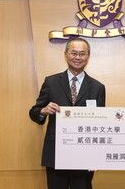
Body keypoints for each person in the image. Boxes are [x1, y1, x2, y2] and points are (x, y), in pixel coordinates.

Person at [29, 38, 106, 189]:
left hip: (84, 157)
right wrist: (43, 111)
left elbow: (100, 124)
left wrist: (96, 156)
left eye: (82, 54)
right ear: (66, 54)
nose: (78, 57)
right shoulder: (51, 82)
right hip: (55, 154)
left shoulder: (98, 87)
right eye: (74, 53)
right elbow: (34, 112)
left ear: (88, 56)